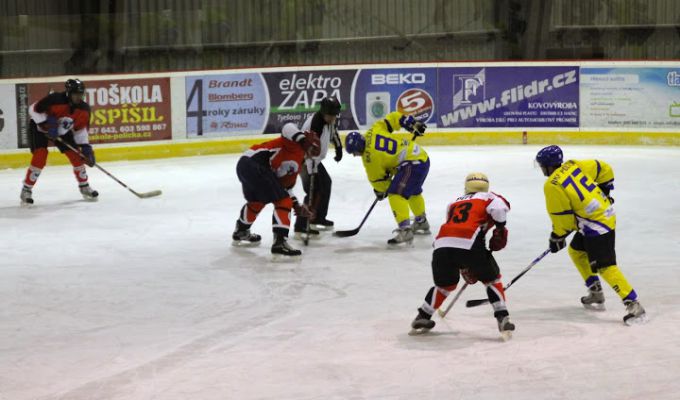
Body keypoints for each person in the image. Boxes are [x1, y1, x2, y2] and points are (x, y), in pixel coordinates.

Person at [535, 145, 646, 325]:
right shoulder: (573, 165)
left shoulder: (551, 185)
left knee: (605, 266)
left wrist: (557, 236)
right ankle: (595, 291)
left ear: (547, 166)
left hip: (596, 225)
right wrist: (606, 191)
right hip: (601, 215)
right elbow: (604, 168)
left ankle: (634, 304)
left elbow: (562, 217)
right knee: (577, 251)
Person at [410, 173, 515, 338]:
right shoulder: (490, 197)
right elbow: (501, 208)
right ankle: (502, 317)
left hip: (441, 245)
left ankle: (423, 315)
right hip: (470, 243)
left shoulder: (454, 202)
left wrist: (464, 266)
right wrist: (500, 228)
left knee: (445, 285)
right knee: (492, 279)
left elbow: (454, 229)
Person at [232, 123, 320, 257]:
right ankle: (280, 243)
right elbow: (287, 127)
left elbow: (284, 188)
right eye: (312, 150)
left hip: (245, 166)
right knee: (283, 202)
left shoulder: (296, 165)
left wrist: (297, 205)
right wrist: (302, 140)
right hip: (254, 164)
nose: (311, 155)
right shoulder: (293, 144)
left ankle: (241, 231)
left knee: (258, 201)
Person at [344, 111, 429, 245]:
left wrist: (381, 191)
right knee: (412, 191)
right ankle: (421, 222)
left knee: (395, 193)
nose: (355, 156)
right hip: (421, 157)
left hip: (411, 164)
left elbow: (381, 184)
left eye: (354, 153)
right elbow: (394, 118)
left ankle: (405, 230)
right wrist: (412, 124)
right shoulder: (374, 130)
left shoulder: (369, 159)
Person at [20, 78, 97, 205]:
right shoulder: (55, 99)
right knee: (40, 156)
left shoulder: (84, 110)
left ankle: (84, 187)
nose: (78, 97)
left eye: (81, 94)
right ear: (68, 93)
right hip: (39, 129)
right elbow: (33, 109)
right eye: (75, 94)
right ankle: (26, 190)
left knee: (77, 155)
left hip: (61, 131)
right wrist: (46, 124)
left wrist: (86, 150)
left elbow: (80, 131)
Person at [293, 97, 343, 240]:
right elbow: (308, 151)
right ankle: (300, 226)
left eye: (335, 115)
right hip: (305, 160)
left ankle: (318, 218)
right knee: (313, 191)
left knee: (325, 184)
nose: (334, 118)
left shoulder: (330, 119)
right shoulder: (315, 125)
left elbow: (334, 132)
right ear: (324, 112)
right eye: (331, 115)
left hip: (316, 159)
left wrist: (338, 147)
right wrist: (312, 171)